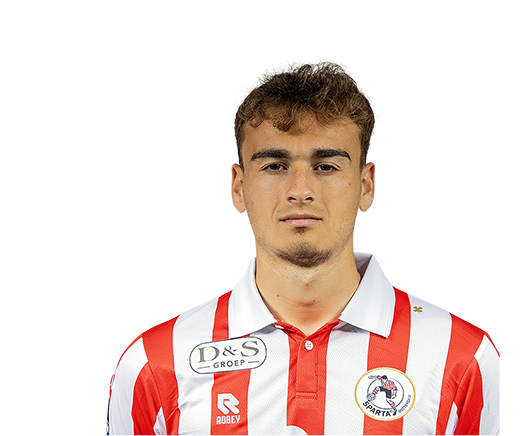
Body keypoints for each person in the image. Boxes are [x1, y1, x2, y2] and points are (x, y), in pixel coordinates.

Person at [108, 60, 500, 435]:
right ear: (239, 187)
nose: (300, 191)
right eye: (274, 166)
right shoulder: (156, 364)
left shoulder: (461, 359)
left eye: (325, 166)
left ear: (365, 186)